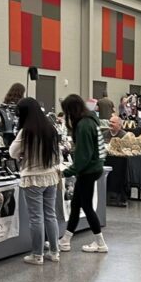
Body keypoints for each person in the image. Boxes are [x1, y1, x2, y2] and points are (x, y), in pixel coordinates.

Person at [8, 97, 61, 265]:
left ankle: (37, 255)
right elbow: (57, 155)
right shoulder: (51, 129)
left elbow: (12, 152)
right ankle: (55, 252)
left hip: (32, 178)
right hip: (51, 176)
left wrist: (23, 154)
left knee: (36, 218)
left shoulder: (26, 132)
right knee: (50, 215)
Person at [60, 94, 107, 254]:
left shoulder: (84, 125)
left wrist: (67, 172)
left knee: (86, 206)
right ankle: (65, 240)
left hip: (88, 170)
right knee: (76, 205)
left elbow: (83, 157)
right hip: (93, 168)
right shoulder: (91, 120)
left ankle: (100, 243)